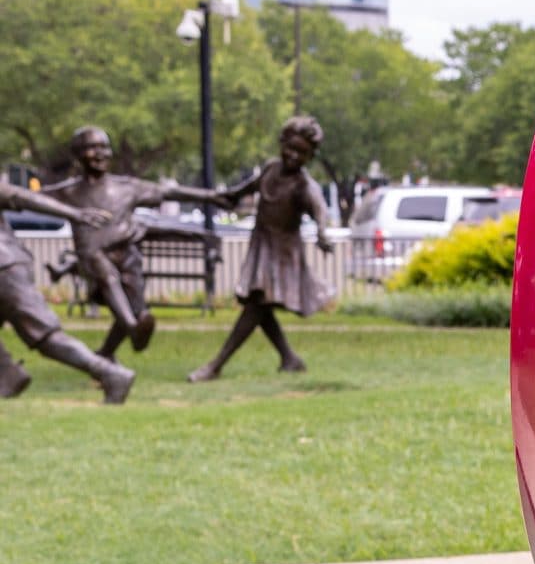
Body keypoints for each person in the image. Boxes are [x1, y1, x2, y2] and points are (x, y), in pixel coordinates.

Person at [41, 126, 228, 362]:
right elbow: (28, 198)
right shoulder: (67, 192)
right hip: (93, 259)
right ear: (78, 154)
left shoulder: (126, 187)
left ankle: (106, 354)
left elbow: (168, 192)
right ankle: (132, 329)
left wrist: (210, 196)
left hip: (127, 256)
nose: (100, 154)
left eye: (104, 147)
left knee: (137, 310)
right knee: (107, 276)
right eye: (92, 148)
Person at [186, 118, 337, 381]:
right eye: (290, 148)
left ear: (311, 156)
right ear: (282, 143)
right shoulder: (270, 169)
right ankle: (289, 358)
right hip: (262, 245)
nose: (293, 155)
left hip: (283, 253)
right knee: (261, 305)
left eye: (302, 152)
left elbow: (319, 210)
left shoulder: (304, 185)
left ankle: (216, 365)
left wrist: (323, 233)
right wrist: (208, 196)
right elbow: (241, 191)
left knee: (256, 306)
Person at [0, 190, 136, 401]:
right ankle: (8, 373)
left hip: (4, 269)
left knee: (44, 334)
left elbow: (20, 197)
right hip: (8, 265)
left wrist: (74, 214)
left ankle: (110, 373)